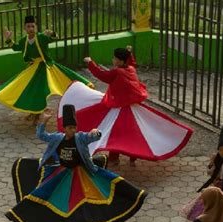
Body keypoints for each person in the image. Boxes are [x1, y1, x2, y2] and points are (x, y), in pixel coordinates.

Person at [5, 105, 147, 222]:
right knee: (52, 194)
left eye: (74, 127)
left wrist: (96, 131)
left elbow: (95, 136)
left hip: (81, 172)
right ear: (65, 128)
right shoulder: (57, 138)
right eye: (70, 128)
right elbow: (41, 135)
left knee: (82, 199)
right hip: (61, 172)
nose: (73, 130)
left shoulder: (80, 137)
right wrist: (44, 120)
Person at [57, 46, 193, 166]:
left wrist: (90, 63)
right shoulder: (131, 69)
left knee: (115, 132)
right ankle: (132, 157)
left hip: (119, 106)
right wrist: (130, 53)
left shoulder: (117, 72)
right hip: (131, 105)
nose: (113, 60)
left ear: (120, 61)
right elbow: (132, 62)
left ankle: (114, 159)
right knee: (132, 132)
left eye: (115, 58)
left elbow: (102, 75)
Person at [0, 15, 93, 124]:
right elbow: (16, 47)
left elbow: (53, 38)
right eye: (28, 26)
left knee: (42, 90)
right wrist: (8, 39)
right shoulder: (24, 40)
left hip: (46, 68)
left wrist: (52, 33)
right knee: (30, 90)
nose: (30, 28)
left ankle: (38, 112)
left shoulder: (41, 37)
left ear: (36, 27)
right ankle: (35, 111)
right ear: (24, 28)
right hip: (33, 68)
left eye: (32, 26)